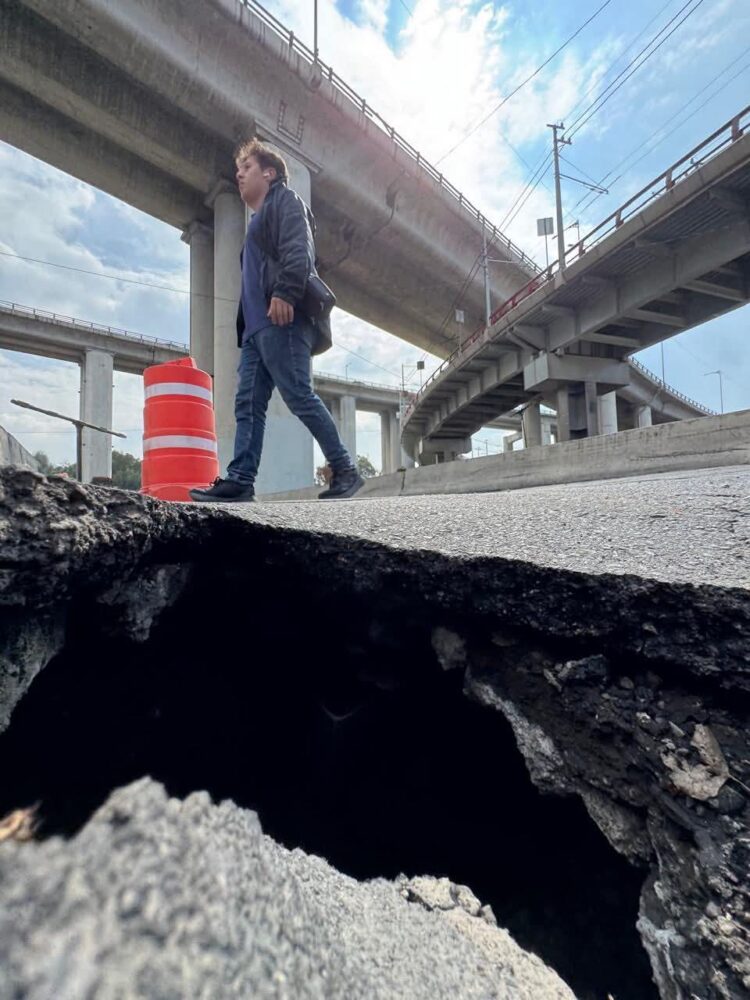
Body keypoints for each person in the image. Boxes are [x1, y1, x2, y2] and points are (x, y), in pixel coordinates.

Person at [190, 138, 364, 503]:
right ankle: (240, 480)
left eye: (247, 168)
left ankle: (345, 469)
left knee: (298, 393)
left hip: (281, 319)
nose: (239, 175)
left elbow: (299, 249)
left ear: (269, 172)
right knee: (247, 405)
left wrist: (285, 292)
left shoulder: (286, 201)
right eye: (237, 171)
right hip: (256, 331)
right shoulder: (256, 220)